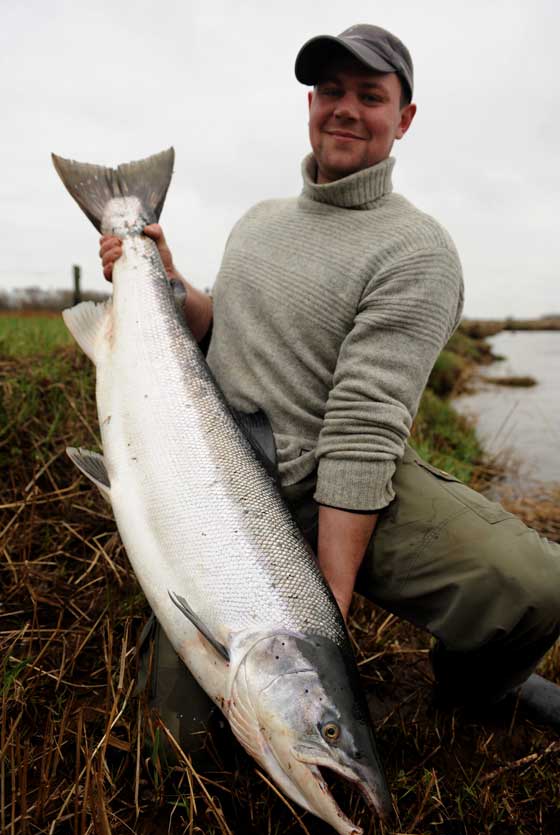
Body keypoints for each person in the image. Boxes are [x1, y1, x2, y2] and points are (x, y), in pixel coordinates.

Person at [100, 25, 560, 756]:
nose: (345, 108)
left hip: (348, 480)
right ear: (311, 104)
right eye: (331, 92)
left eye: (370, 96)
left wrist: (323, 615)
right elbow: (228, 333)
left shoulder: (417, 251)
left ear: (404, 118)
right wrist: (167, 282)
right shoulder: (258, 223)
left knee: (536, 587)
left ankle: (480, 691)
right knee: (181, 743)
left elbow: (363, 429)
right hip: (227, 480)